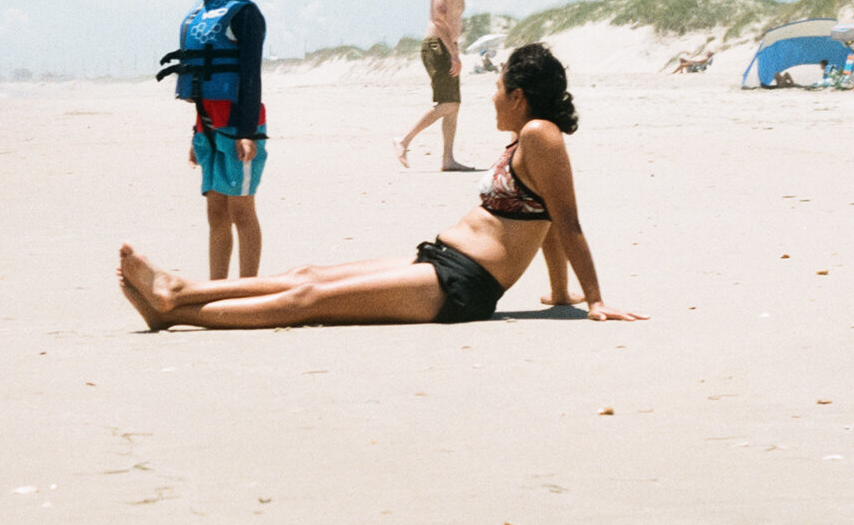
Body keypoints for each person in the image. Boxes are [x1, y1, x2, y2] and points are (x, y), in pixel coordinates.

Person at [120, 44, 647, 329]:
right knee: (308, 275)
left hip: (462, 286)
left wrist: (595, 300)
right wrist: (559, 293)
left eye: (497, 86)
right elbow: (548, 219)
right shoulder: (526, 139)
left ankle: (179, 296)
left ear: (521, 95)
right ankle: (173, 306)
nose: (491, 96)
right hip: (440, 261)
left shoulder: (540, 134)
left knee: (310, 299)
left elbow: (567, 220)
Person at [162, 0, 269, 279]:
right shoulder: (204, 11)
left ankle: (248, 288)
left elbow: (250, 77)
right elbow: (201, 87)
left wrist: (246, 132)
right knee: (216, 213)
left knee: (242, 210)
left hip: (240, 126)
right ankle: (216, 285)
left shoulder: (245, 14)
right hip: (207, 127)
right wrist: (197, 133)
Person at [397, 0, 477, 171]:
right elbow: (438, 19)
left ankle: (448, 159)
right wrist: (453, 54)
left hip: (446, 46)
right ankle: (404, 141)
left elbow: (451, 24)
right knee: (448, 103)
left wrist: (455, 49)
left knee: (454, 105)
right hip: (437, 46)